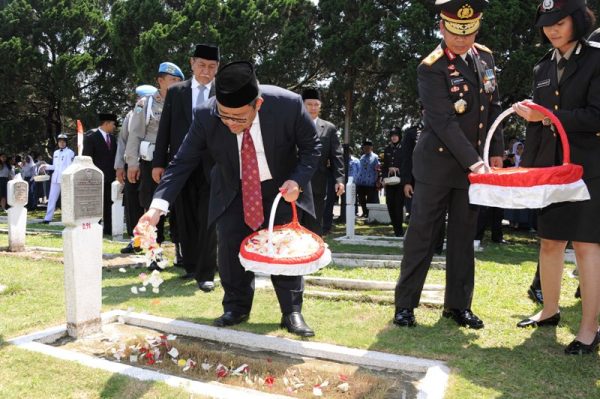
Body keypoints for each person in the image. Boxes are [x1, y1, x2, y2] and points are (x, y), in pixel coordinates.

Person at [138, 61, 321, 337]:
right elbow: (181, 163)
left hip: (279, 189)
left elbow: (312, 147)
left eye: (238, 118)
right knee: (229, 249)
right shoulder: (205, 114)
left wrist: (297, 179)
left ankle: (291, 311)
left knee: (283, 250)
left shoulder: (288, 105)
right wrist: (156, 209)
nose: (230, 124)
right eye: (225, 116)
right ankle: (236, 307)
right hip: (232, 189)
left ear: (257, 104)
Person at [393, 0, 504, 329]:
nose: (461, 39)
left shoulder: (485, 57)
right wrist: (476, 162)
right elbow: (443, 122)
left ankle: (458, 306)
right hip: (437, 166)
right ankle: (405, 306)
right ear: (442, 27)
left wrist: (494, 150)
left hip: (473, 170)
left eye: (468, 32)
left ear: (477, 27)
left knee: (463, 237)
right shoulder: (431, 67)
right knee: (423, 236)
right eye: (455, 32)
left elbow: (493, 105)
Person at [512, 0, 600, 355]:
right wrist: (530, 170)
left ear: (577, 20)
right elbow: (538, 129)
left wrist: (546, 115)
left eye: (559, 22)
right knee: (549, 242)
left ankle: (589, 329)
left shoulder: (596, 58)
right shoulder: (542, 67)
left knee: (585, 246)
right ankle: (549, 311)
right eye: (547, 23)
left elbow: (595, 116)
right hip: (551, 170)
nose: (552, 30)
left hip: (590, 168)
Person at [153, 44, 219, 290]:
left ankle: (206, 272)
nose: (206, 71)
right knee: (186, 215)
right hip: (182, 163)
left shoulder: (222, 92)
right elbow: (165, 129)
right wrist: (159, 162)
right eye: (201, 65)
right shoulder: (177, 92)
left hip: (214, 164)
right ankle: (191, 265)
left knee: (208, 217)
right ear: (192, 64)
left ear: (217, 68)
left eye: (212, 67)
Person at [125, 63, 184, 265]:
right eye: (172, 80)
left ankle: (181, 251)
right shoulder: (146, 103)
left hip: (176, 161)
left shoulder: (183, 101)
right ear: (160, 81)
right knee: (151, 207)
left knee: (179, 208)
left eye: (179, 81)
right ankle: (153, 253)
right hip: (151, 163)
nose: (176, 84)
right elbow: (135, 134)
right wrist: (132, 163)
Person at [116, 85, 156, 254]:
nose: (139, 102)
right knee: (132, 203)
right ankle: (136, 241)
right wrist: (119, 166)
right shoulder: (130, 116)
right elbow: (123, 141)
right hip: (131, 164)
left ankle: (150, 242)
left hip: (149, 164)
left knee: (149, 204)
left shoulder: (154, 113)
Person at [299, 88, 344, 236]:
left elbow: (336, 155)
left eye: (316, 104)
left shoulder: (329, 128)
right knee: (295, 224)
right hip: (295, 182)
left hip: (318, 183)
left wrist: (339, 179)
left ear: (320, 106)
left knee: (314, 224)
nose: (313, 108)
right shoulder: (293, 124)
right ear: (302, 104)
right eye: (309, 104)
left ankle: (313, 257)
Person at [83, 113, 118, 236]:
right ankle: (94, 227)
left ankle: (107, 229)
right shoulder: (91, 137)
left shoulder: (112, 139)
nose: (114, 127)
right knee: (96, 203)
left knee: (108, 203)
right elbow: (87, 157)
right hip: (95, 178)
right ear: (107, 123)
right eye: (113, 124)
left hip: (109, 177)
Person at [40, 134, 75, 223]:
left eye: (63, 142)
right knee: (51, 198)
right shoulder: (55, 153)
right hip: (55, 179)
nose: (62, 143)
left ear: (66, 143)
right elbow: (55, 167)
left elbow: (70, 166)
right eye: (60, 142)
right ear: (58, 143)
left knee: (67, 199)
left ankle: (69, 218)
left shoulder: (70, 153)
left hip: (65, 179)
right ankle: (47, 219)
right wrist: (46, 166)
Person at [382, 127, 405, 237]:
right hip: (389, 181)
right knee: (390, 204)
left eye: (396, 135)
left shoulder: (404, 148)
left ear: (399, 136)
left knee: (398, 206)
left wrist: (398, 169)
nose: (394, 137)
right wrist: (384, 176)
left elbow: (407, 163)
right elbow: (384, 165)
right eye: (392, 135)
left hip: (400, 182)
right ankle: (395, 228)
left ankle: (399, 231)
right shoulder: (387, 149)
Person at [354, 139, 380, 218]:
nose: (366, 148)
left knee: (370, 200)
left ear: (371, 147)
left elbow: (379, 169)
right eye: (364, 147)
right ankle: (364, 212)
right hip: (361, 182)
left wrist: (378, 180)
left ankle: (369, 214)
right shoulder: (362, 157)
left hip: (371, 183)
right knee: (361, 199)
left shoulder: (375, 157)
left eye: (368, 147)